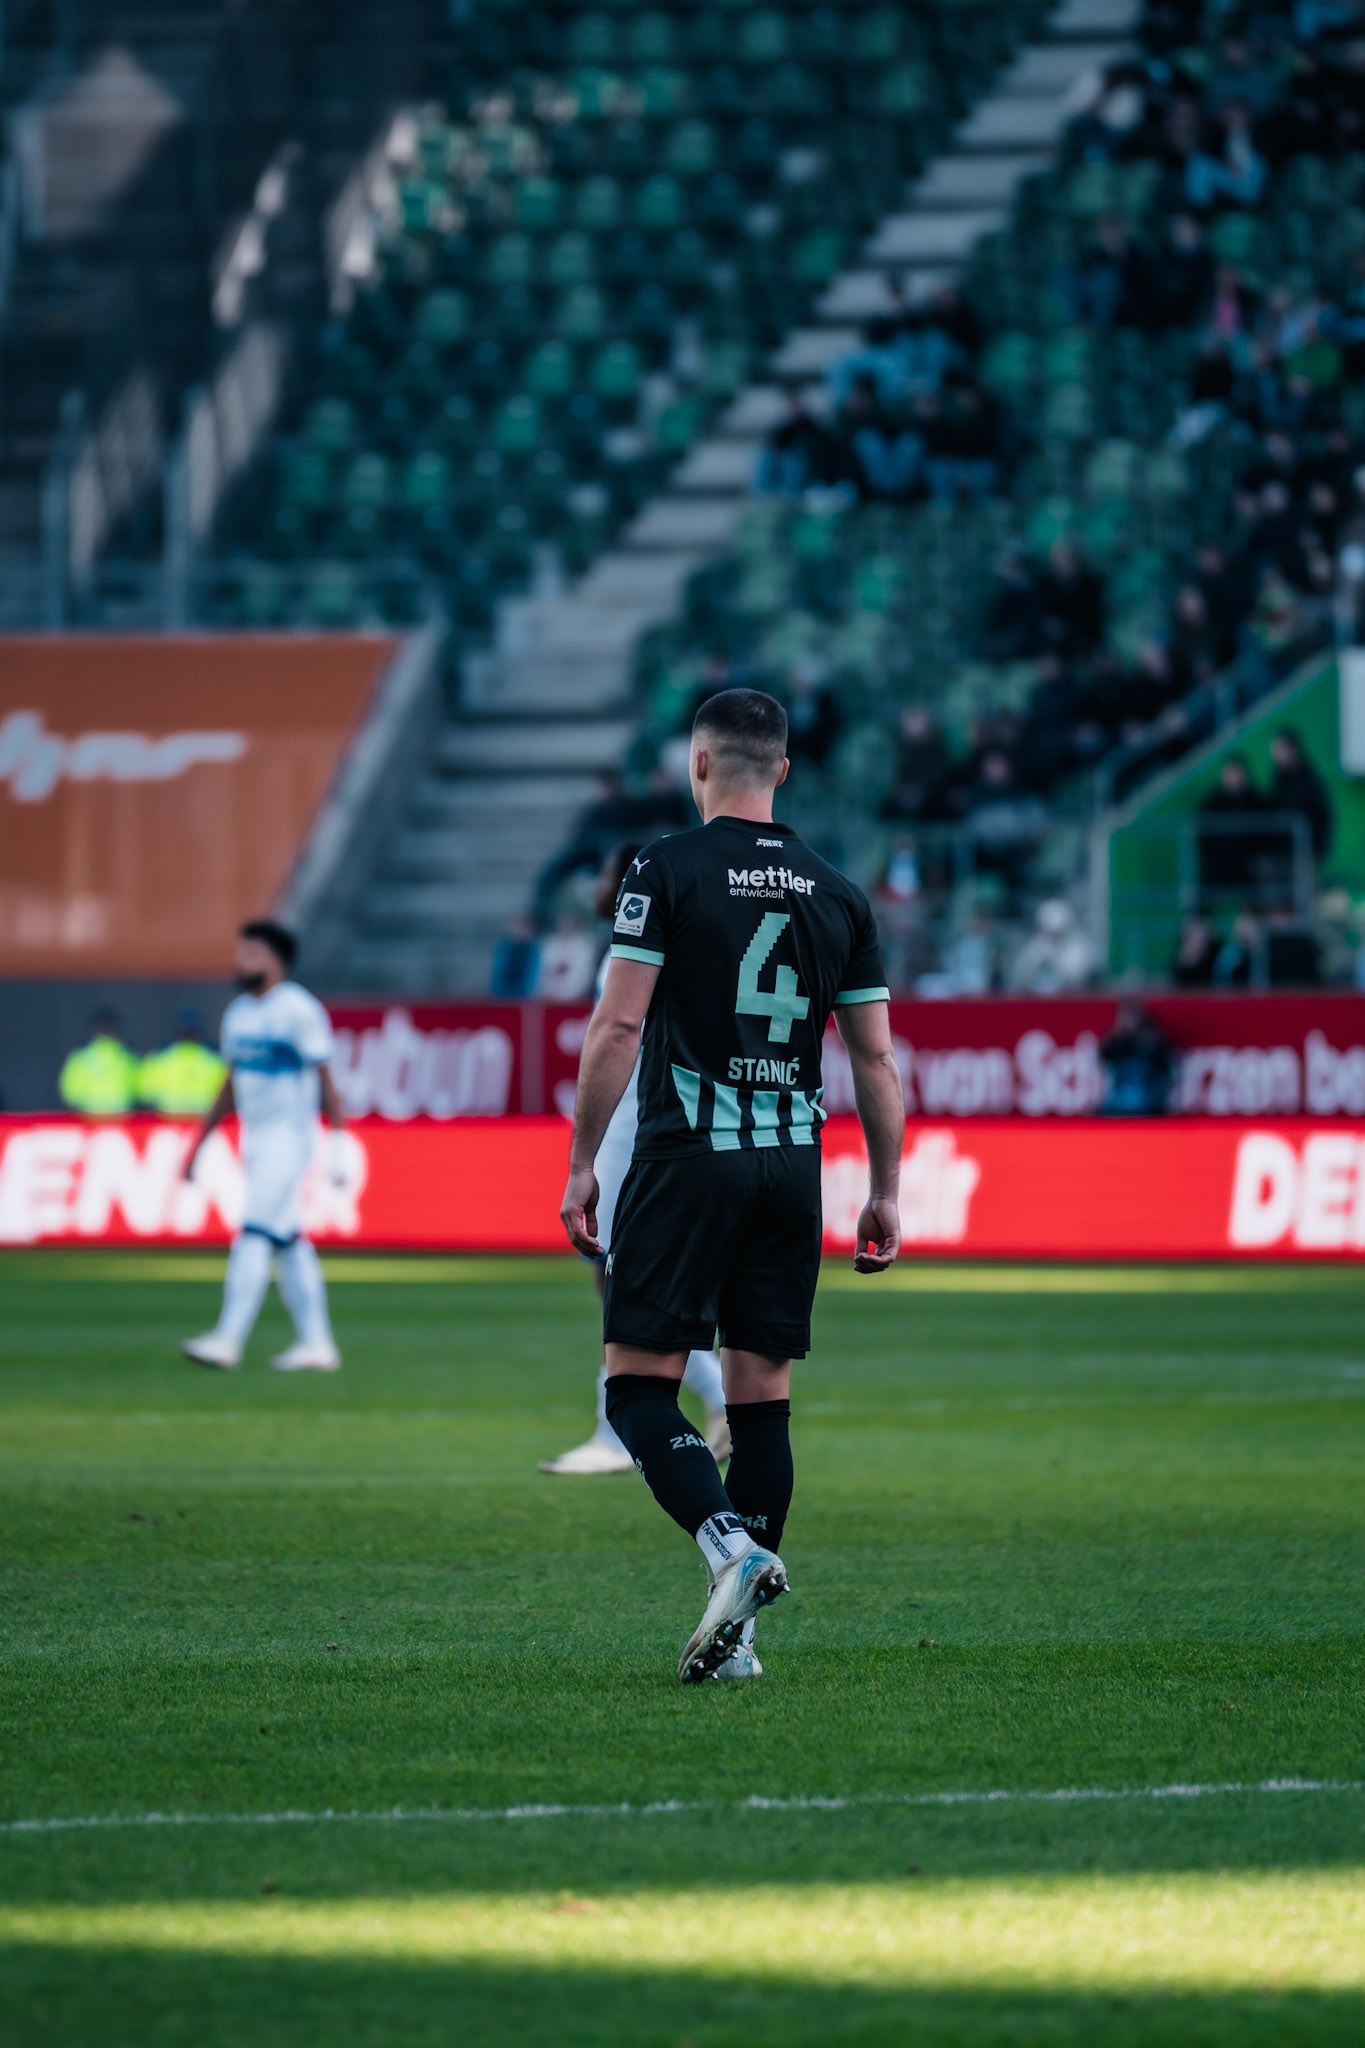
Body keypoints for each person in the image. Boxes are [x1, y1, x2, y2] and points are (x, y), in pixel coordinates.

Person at [559, 689, 905, 1683]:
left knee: (634, 1388)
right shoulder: (840, 890)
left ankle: (728, 1549)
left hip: (688, 1153)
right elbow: (875, 1061)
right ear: (783, 770)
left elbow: (618, 1026)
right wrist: (885, 1189)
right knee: (762, 1402)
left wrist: (584, 1160)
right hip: (792, 1162)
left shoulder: (661, 869)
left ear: (697, 765)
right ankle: (741, 1639)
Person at [541, 844, 728, 1477]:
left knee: (617, 1275)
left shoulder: (637, 948)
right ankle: (706, 1398)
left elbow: (619, 1037)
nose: (595, 884)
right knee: (619, 1276)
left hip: (630, 1132)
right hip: (656, 1130)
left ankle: (620, 1431)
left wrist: (585, 1154)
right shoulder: (670, 942)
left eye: (602, 873)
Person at [180, 920, 344, 1374]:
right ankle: (317, 1344)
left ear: (276, 959)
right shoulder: (238, 1014)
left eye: (250, 953)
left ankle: (228, 1339)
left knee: (254, 1231)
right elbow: (230, 1085)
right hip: (255, 1140)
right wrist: (200, 1145)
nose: (240, 962)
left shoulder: (297, 1009)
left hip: (290, 1139)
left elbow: (327, 1080)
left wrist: (340, 1137)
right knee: (288, 1240)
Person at [137, 1009, 226, 1117]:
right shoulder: (215, 1062)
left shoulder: (158, 1061)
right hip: (204, 1122)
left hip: (168, 1123)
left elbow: (144, 1097)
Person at [57, 1008, 140, 1117]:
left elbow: (68, 1093)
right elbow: (141, 1091)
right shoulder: (129, 1059)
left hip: (88, 1121)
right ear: (116, 1030)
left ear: (94, 1030)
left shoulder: (79, 1059)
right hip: (121, 1121)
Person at [1100, 998, 1175, 1114]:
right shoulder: (1117, 1043)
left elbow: (1166, 1061)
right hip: (1119, 1104)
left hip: (1147, 1104)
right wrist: (1118, 1030)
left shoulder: (1153, 1042)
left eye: (1134, 1015)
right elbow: (1102, 1055)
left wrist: (1148, 1036)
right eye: (1127, 1015)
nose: (1131, 1020)